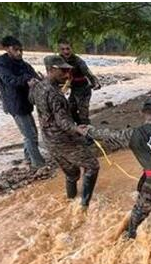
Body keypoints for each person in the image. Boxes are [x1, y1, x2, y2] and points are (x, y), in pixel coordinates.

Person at [80, 97, 151, 238]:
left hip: (150, 185)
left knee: (137, 216)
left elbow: (109, 135)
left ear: (141, 112)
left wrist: (89, 131)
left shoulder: (131, 134)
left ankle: (128, 238)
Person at [29, 55, 100, 209]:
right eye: (63, 71)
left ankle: (70, 202)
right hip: (62, 140)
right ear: (51, 70)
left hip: (48, 140)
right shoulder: (55, 94)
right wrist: (77, 129)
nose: (67, 74)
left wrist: (32, 84)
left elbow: (31, 100)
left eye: (67, 70)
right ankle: (84, 205)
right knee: (92, 166)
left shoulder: (38, 86)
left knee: (72, 174)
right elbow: (63, 122)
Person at [0, 36, 45, 168]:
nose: (19, 53)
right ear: (7, 49)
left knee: (31, 133)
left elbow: (35, 76)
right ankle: (38, 164)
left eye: (21, 50)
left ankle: (28, 159)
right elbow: (9, 80)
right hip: (14, 103)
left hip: (26, 102)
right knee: (30, 135)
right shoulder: (1, 62)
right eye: (15, 50)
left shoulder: (24, 64)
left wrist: (40, 80)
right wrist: (27, 80)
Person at [58, 39, 101, 125]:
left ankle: (89, 136)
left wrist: (95, 83)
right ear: (59, 50)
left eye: (68, 48)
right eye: (63, 49)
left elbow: (88, 73)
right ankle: (80, 128)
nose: (66, 51)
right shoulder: (59, 60)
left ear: (71, 49)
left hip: (84, 90)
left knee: (83, 116)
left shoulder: (78, 61)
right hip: (73, 90)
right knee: (69, 111)